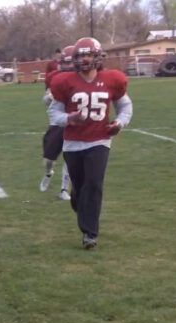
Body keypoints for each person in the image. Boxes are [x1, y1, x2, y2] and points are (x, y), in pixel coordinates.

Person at [47, 37, 133, 249]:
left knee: (94, 185)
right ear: (74, 59)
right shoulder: (65, 82)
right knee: (81, 189)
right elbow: (53, 112)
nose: (84, 59)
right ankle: (78, 197)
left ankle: (89, 234)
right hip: (73, 143)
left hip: (99, 140)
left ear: (97, 56)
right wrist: (69, 118)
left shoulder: (112, 79)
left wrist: (120, 122)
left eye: (88, 54)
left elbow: (126, 107)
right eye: (80, 55)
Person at [40, 45, 74, 200]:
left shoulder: (82, 77)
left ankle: (63, 190)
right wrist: (49, 98)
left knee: (69, 156)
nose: (69, 66)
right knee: (48, 160)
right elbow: (46, 99)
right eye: (65, 63)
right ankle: (49, 173)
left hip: (74, 123)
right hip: (56, 123)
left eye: (71, 62)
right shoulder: (54, 77)